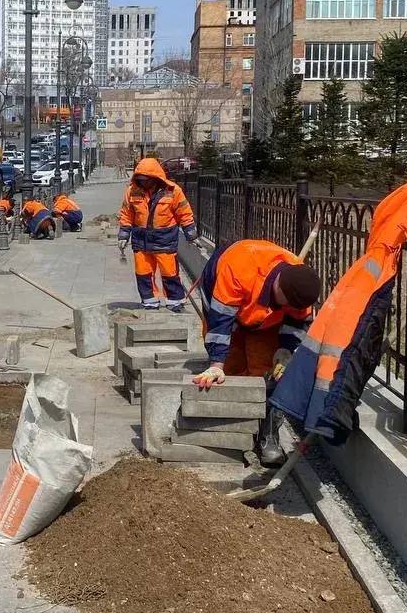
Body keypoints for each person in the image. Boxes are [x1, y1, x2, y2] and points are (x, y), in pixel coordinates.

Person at [193, 238, 322, 466]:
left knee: (268, 371)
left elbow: (297, 324)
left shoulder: (300, 286)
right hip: (224, 305)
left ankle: (266, 436)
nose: (290, 309)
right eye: (287, 304)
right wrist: (216, 364)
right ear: (278, 288)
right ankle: (232, 434)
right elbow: (220, 322)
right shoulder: (238, 270)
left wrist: (285, 350)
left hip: (264, 317)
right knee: (229, 370)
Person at [117, 158, 197, 311]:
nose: (142, 182)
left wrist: (191, 234)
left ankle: (175, 301)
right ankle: (149, 301)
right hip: (141, 240)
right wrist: (123, 234)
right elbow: (127, 214)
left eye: (145, 179)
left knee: (170, 273)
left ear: (155, 178)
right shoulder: (132, 191)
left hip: (164, 239)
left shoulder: (173, 191)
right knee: (143, 273)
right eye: (140, 179)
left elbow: (184, 213)